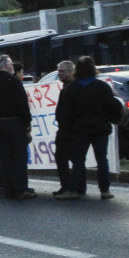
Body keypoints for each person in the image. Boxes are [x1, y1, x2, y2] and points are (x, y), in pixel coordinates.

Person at [56, 56, 122, 200]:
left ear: (76, 70)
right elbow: (112, 108)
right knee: (102, 159)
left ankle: (75, 189)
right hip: (101, 129)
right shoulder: (103, 87)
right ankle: (105, 190)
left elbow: (63, 113)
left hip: (80, 130)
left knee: (79, 159)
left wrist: (67, 129)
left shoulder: (71, 89)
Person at [0, 54, 35, 200]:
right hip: (14, 123)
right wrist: (27, 123)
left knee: (5, 156)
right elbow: (23, 104)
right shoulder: (14, 82)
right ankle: (21, 187)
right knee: (19, 156)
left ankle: (8, 186)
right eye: (10, 63)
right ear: (4, 66)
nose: (13, 66)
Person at [51, 61, 77, 196]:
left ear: (70, 72)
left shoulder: (69, 88)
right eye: (58, 70)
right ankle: (75, 186)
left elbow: (66, 111)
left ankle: (67, 186)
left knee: (62, 157)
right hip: (70, 129)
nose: (58, 73)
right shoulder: (69, 86)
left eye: (61, 71)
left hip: (67, 130)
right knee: (73, 158)